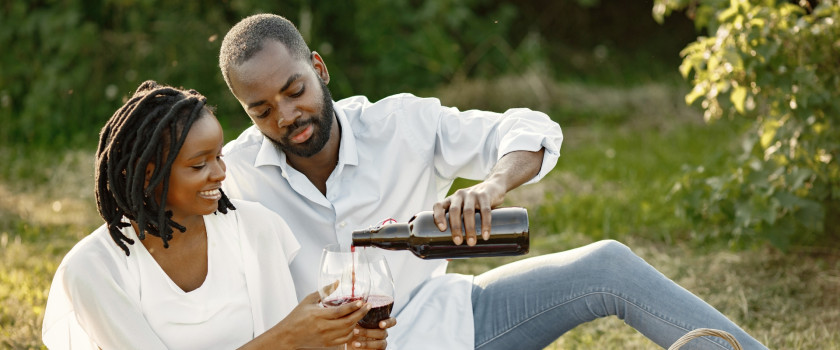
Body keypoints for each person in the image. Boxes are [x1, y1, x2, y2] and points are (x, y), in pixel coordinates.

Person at [217, 13, 769, 350]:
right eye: (261, 109)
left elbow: (528, 129)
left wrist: (491, 186)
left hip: (452, 330)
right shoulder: (235, 176)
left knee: (607, 265)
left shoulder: (401, 124)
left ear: (319, 68)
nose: (286, 116)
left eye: (295, 90)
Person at [42, 81, 394, 350]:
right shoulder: (93, 269)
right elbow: (282, 340)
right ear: (148, 173)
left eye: (219, 156)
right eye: (199, 165)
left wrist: (341, 341)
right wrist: (285, 338)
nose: (220, 174)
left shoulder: (256, 228)